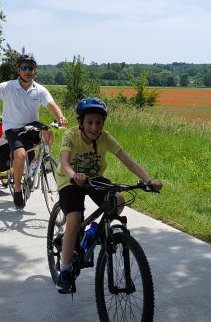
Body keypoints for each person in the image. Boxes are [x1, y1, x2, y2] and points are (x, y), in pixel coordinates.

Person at [54, 97, 163, 294]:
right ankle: (66, 270)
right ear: (80, 122)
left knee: (118, 199)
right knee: (73, 218)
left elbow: (128, 162)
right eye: (89, 122)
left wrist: (148, 180)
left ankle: (92, 233)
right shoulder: (70, 136)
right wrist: (73, 176)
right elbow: (64, 163)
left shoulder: (106, 138)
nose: (94, 127)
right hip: (69, 180)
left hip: (95, 178)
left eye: (99, 123)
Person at [0, 53, 68, 208]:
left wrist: (60, 117)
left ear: (34, 70)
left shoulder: (39, 89)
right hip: (13, 128)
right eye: (24, 67)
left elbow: (51, 104)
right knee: (20, 155)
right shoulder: (9, 87)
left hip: (31, 125)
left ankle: (39, 162)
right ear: (18, 70)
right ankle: (17, 189)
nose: (27, 70)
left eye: (30, 67)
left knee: (49, 133)